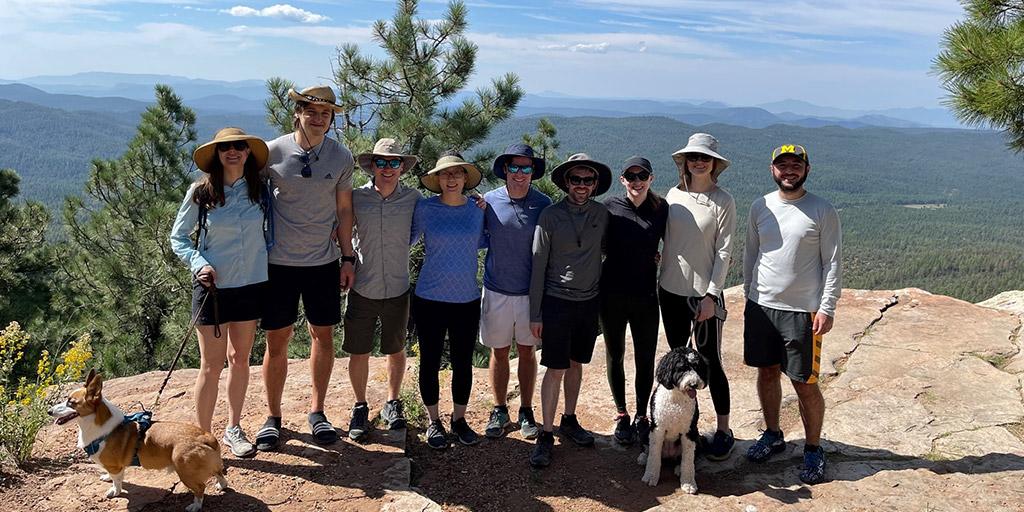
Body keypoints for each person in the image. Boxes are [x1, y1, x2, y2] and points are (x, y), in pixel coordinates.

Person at [256, 85, 355, 450]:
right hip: (277, 263)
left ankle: (317, 412)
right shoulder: (271, 152)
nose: (318, 118)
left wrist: (347, 257)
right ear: (297, 112)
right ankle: (273, 416)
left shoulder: (340, 157)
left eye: (325, 114)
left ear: (331, 119)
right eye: (311, 111)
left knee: (322, 337)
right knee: (276, 340)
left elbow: (345, 211)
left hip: (323, 262)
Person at [743, 144, 841, 485]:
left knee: (804, 383)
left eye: (795, 164)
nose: (789, 170)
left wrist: (827, 307)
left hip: (803, 311)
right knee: (767, 373)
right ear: (772, 170)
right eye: (782, 165)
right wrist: (749, 294)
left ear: (807, 169)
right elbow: (751, 254)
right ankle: (773, 434)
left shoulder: (822, 210)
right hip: (761, 305)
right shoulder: (760, 206)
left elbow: (832, 263)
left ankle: (813, 448)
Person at [169, 127, 270, 458]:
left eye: (239, 146)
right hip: (212, 288)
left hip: (251, 284)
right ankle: (202, 438)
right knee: (210, 366)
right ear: (217, 154)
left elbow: (271, 233)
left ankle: (233, 429)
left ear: (247, 152)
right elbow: (178, 237)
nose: (233, 151)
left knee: (240, 359)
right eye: (226, 147)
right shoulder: (201, 192)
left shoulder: (260, 190)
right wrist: (199, 262)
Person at [528, 153, 611, 468]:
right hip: (557, 302)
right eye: (575, 179)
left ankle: (569, 419)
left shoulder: (602, 214)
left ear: (595, 184)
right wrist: (536, 313)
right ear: (566, 182)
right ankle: (546, 434)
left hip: (588, 302)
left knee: (577, 364)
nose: (581, 185)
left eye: (587, 180)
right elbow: (538, 265)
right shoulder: (550, 216)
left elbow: (609, 249)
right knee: (555, 367)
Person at [659, 133, 737, 460]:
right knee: (679, 363)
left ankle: (723, 430)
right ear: (685, 162)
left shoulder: (724, 201)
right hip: (670, 291)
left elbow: (724, 251)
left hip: (703, 295)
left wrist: (711, 295)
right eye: (693, 157)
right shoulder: (672, 195)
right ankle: (685, 426)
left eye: (705, 158)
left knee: (710, 362)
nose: (699, 162)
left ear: (714, 164)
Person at [344, 138, 421, 441]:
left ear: (402, 167)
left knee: (396, 348)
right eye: (382, 163)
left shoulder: (413, 198)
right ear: (372, 165)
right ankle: (360, 405)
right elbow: (343, 229)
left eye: (394, 163)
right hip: (363, 284)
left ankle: (392, 401)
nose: (388, 169)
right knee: (358, 350)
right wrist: (347, 260)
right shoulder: (356, 197)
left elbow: (419, 230)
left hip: (397, 286)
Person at [410, 151, 486, 450]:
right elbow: (405, 239)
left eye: (457, 173)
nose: (451, 178)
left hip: (467, 298)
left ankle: (459, 418)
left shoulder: (480, 210)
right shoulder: (425, 209)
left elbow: (492, 240)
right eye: (445, 174)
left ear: (466, 178)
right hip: (429, 297)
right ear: (437, 179)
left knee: (462, 362)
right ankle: (433, 421)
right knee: (429, 361)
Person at [480, 143, 552, 440]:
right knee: (498, 352)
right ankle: (499, 408)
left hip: (530, 293)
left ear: (533, 172)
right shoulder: (488, 201)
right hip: (496, 288)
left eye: (526, 168)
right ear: (505, 170)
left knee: (526, 351)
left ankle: (525, 409)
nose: (520, 173)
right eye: (515, 167)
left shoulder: (543, 203)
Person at [600, 156, 667, 446]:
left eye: (643, 176)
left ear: (651, 179)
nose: (637, 181)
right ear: (622, 180)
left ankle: (642, 415)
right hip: (611, 293)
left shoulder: (661, 208)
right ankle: (621, 414)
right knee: (614, 354)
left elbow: (675, 242)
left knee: (645, 357)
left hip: (645, 296)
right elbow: (596, 243)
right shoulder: (609, 208)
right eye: (631, 176)